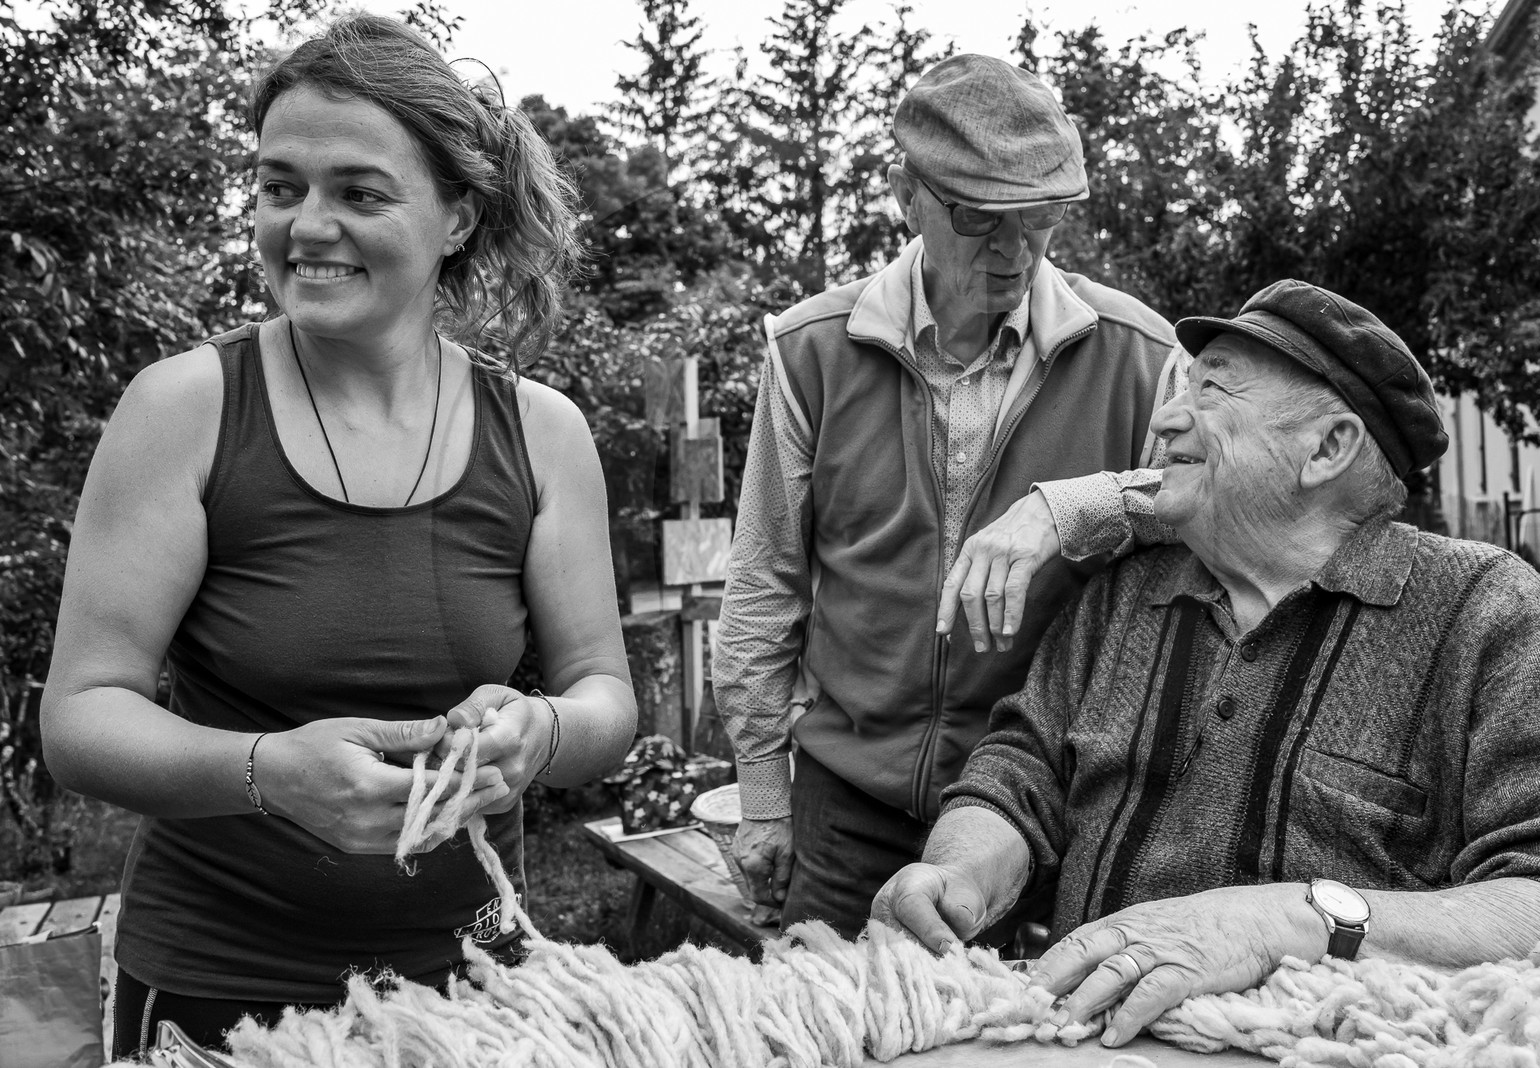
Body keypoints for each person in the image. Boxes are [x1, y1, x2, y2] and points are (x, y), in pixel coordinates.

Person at [39, 16, 636, 1058]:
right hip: (222, 1000)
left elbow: (604, 697)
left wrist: (538, 734)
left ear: (457, 217)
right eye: (280, 187)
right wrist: (268, 771)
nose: (307, 226)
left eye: (359, 194)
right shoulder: (184, 410)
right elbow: (82, 717)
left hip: (480, 996)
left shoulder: (541, 433)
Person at [873, 280, 1540, 1048]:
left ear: (1328, 448)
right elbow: (1019, 777)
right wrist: (961, 872)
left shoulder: (1484, 612)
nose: (1164, 419)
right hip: (1080, 1048)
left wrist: (1283, 921)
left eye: (1212, 391)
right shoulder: (1124, 595)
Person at [713, 53, 1185, 937]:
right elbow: (764, 582)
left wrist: (1072, 506)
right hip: (847, 806)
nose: (1015, 251)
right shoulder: (811, 349)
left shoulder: (1142, 355)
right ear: (908, 195)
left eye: (1040, 217)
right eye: (979, 217)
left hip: (1044, 807)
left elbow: (1210, 506)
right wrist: (764, 797)